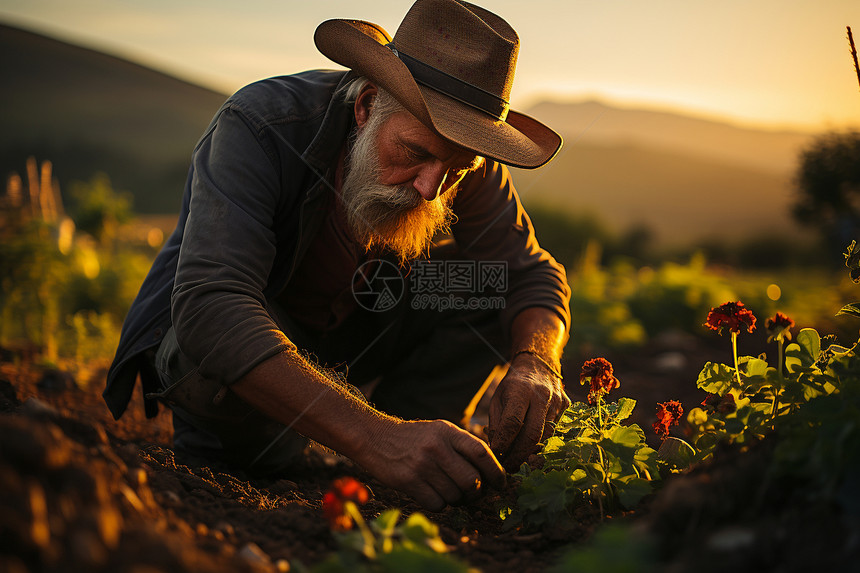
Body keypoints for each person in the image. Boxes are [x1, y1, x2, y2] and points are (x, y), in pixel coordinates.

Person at [105, 0, 572, 511]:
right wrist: (374, 437)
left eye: (455, 170)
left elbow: (530, 274)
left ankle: (413, 448)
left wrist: (537, 362)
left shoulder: (466, 160)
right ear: (367, 105)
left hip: (352, 337)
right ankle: (364, 442)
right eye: (415, 153)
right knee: (254, 450)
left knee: (484, 284)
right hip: (259, 334)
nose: (430, 189)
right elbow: (212, 305)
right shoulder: (263, 125)